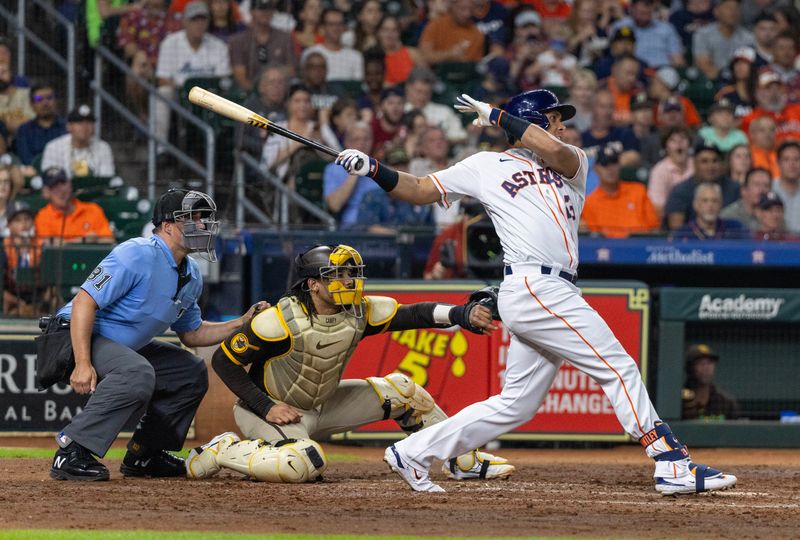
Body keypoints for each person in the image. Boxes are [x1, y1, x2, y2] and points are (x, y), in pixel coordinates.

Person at [334, 88, 737, 495]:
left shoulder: (573, 162)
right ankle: (670, 461)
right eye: (555, 117)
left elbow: (548, 146)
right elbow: (420, 188)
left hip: (551, 287)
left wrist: (496, 116)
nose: (563, 125)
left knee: (518, 403)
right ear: (535, 119)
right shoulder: (485, 165)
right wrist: (373, 168)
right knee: (617, 366)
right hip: (533, 284)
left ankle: (413, 451)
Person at [187, 244, 513, 484]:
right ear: (313, 284)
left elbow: (415, 313)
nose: (349, 281)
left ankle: (462, 460)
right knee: (301, 464)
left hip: (324, 404)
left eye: (350, 274)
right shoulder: (279, 320)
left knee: (405, 392)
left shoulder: (358, 312)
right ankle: (224, 450)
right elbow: (224, 361)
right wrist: (267, 406)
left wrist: (459, 314)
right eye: (337, 275)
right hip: (271, 410)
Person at [48, 188, 268, 481]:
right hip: (70, 337)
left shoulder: (191, 274)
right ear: (167, 226)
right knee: (137, 371)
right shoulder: (136, 253)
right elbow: (84, 302)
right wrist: (83, 362)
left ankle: (145, 454)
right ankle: (71, 450)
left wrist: (241, 322)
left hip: (121, 347)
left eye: (203, 219)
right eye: (193, 218)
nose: (202, 225)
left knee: (188, 371)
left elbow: (192, 333)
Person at [580, 142, 659, 238]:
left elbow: (654, 229)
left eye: (614, 163)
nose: (610, 169)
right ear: (596, 169)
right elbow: (594, 239)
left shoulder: (638, 191)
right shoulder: (589, 202)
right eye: (605, 164)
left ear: (620, 166)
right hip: (608, 249)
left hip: (638, 247)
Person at [664, 143, 740, 230]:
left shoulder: (735, 189)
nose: (710, 167)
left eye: (715, 161)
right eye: (704, 161)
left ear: (721, 164)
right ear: (695, 164)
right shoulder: (680, 192)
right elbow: (677, 231)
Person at [34, 166, 114, 246]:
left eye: (63, 183)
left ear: (70, 185)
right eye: (53, 186)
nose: (60, 190)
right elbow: (49, 247)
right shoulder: (43, 216)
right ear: (46, 193)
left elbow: (109, 240)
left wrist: (65, 243)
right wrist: (84, 240)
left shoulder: (92, 210)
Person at [228, 0, 295, 93]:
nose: (265, 13)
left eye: (269, 9)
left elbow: (291, 70)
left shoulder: (285, 38)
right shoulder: (238, 41)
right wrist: (256, 92)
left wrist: (274, 89)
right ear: (251, 11)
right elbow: (240, 75)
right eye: (261, 8)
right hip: (249, 94)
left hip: (279, 93)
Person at [40, 105, 114, 178]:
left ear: (94, 127)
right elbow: (51, 180)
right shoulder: (54, 147)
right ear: (68, 126)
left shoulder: (103, 147)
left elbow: (106, 178)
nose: (85, 127)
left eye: (89, 122)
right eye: (79, 122)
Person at [682, 344, 740, 421]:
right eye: (700, 363)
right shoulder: (680, 400)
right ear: (690, 368)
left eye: (709, 363)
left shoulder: (725, 402)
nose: (706, 368)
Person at [13, 84, 67, 167]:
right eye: (39, 99)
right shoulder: (24, 130)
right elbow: (26, 159)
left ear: (56, 101)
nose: (45, 103)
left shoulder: (67, 127)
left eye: (49, 98)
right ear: (31, 105)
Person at [671, 182, 745, 240]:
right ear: (695, 205)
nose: (710, 206)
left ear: (721, 205)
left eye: (714, 201)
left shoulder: (735, 229)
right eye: (705, 201)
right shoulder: (681, 234)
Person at [771, 140, 800, 232]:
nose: (792, 164)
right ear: (778, 163)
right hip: (776, 243)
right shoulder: (768, 188)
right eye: (786, 159)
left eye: (797, 159)